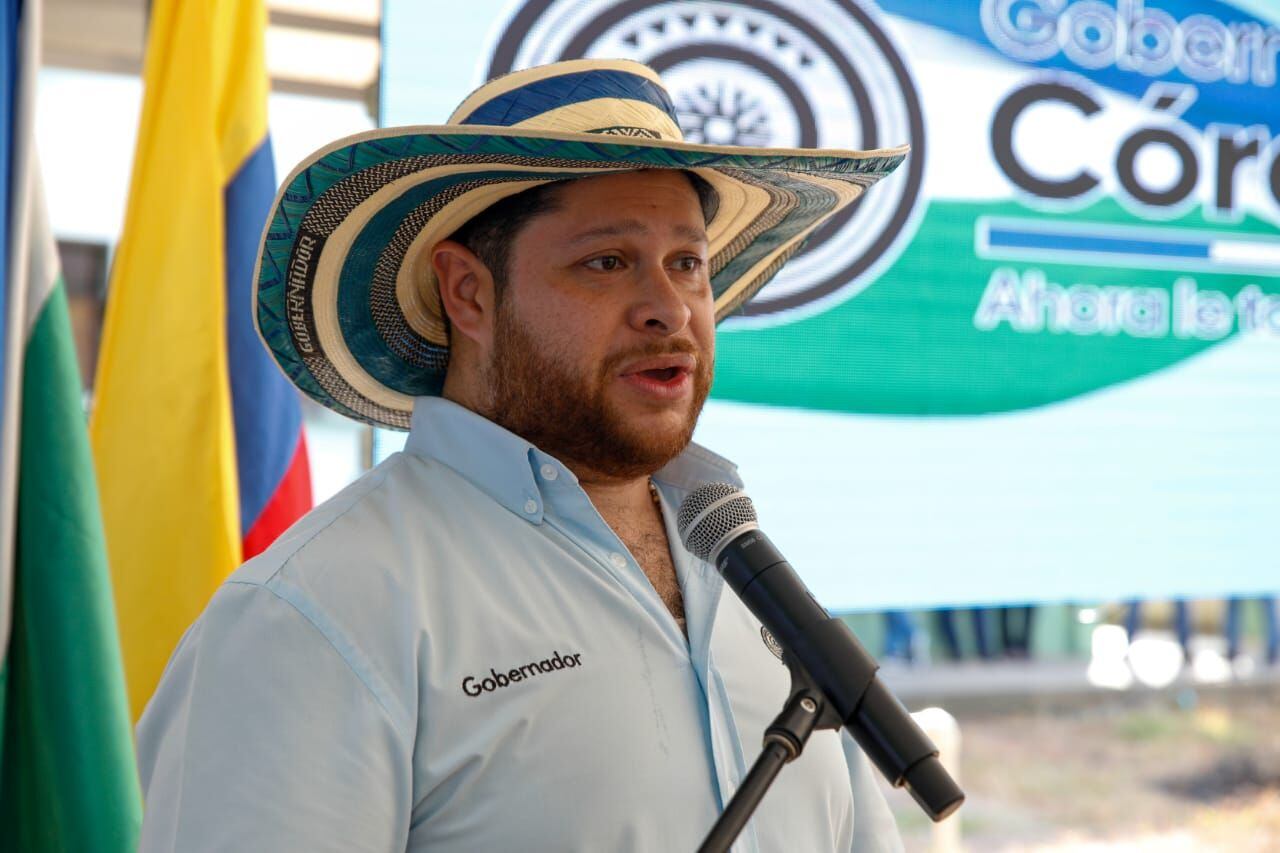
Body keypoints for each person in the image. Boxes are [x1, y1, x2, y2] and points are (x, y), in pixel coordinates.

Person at [134, 59, 909, 851]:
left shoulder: (750, 582)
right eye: (606, 261)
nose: (669, 308)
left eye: (688, 263)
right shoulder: (312, 612)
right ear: (467, 293)